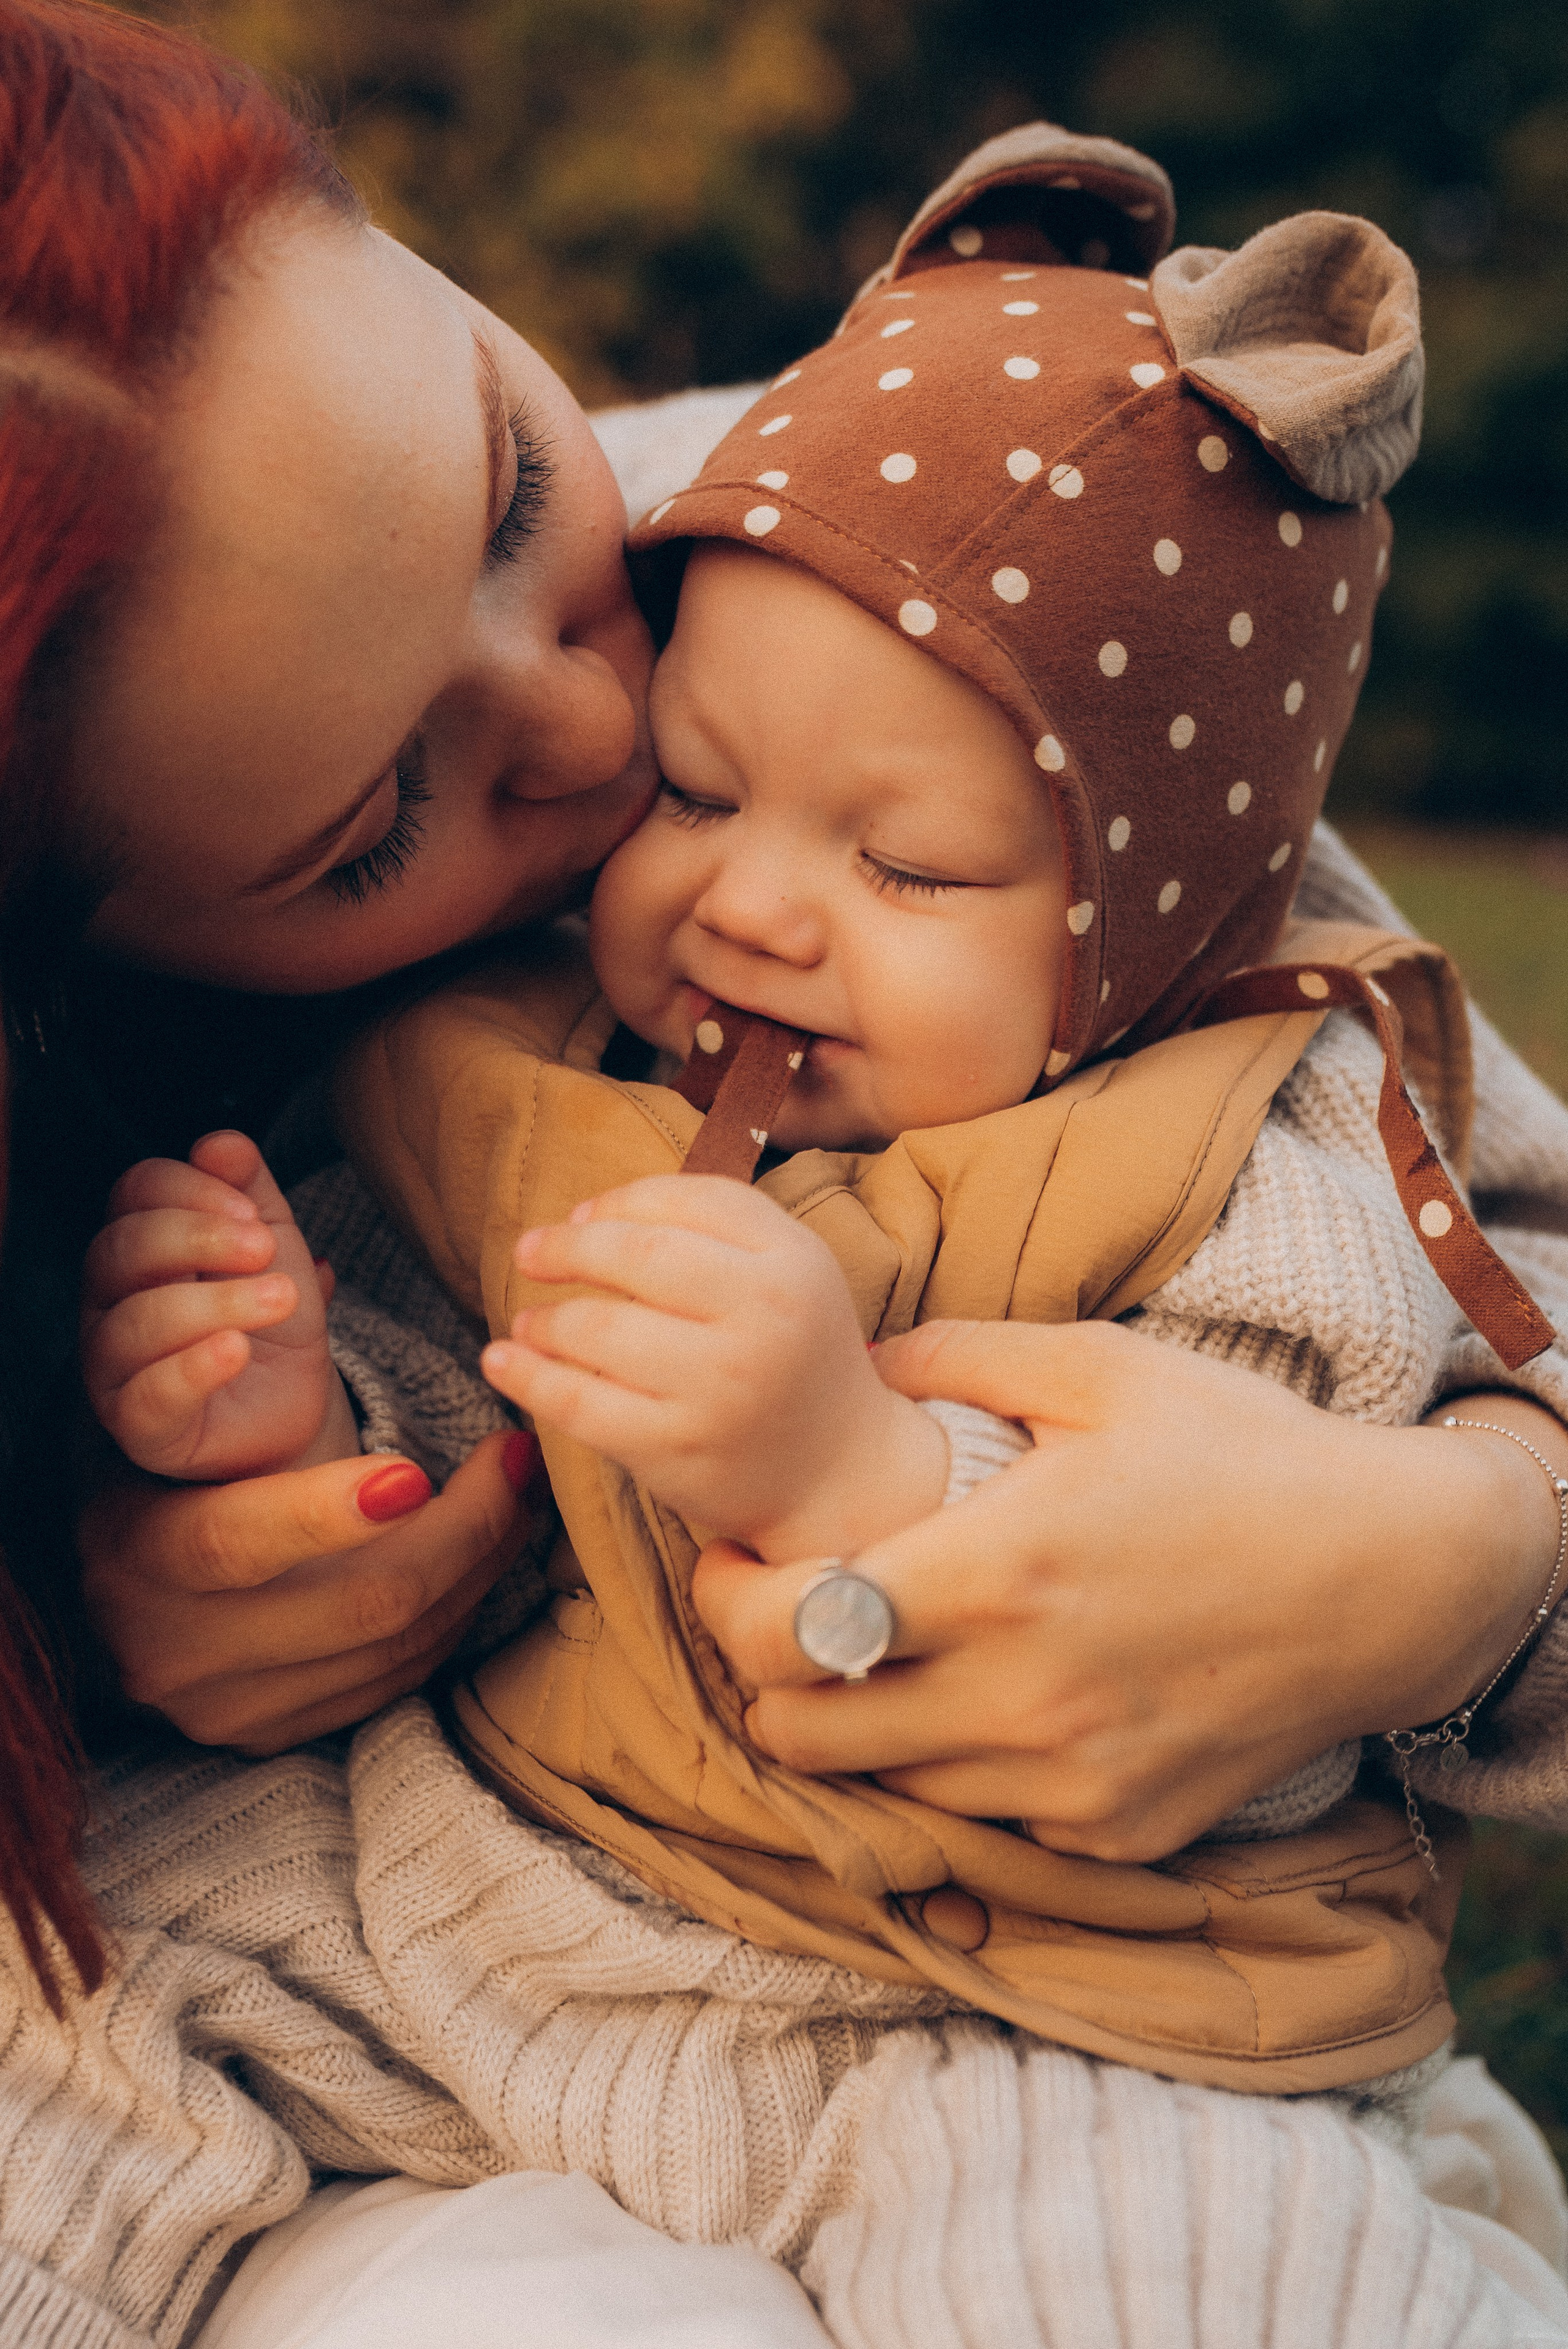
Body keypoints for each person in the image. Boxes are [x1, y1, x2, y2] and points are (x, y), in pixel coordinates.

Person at [1, 7, 1566, 2340]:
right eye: (377, 826)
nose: (614, 729)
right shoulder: (452, 1068)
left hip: (1021, 1990)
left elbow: (1463, 1254)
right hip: (450, 1916)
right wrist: (199, 1487)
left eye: (522, 495)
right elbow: (434, 1367)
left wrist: (1452, 1558)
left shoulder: (954, 604)